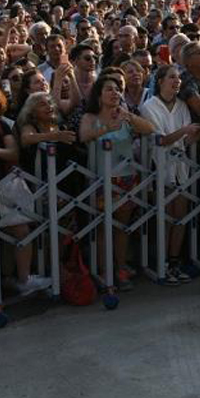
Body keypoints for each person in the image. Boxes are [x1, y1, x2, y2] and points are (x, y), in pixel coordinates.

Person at [139, 66, 200, 285]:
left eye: (179, 78)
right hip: (159, 165)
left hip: (181, 166)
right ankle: (161, 262)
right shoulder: (149, 107)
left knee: (180, 215)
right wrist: (186, 131)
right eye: (172, 77)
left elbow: (186, 140)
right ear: (160, 81)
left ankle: (174, 261)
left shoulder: (182, 105)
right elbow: (161, 140)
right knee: (165, 215)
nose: (177, 81)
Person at [78, 76, 154, 292]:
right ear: (99, 95)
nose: (114, 93)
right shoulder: (90, 117)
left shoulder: (125, 116)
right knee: (104, 227)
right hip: (102, 179)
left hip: (127, 177)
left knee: (122, 227)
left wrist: (128, 116)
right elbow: (83, 136)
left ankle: (120, 268)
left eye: (117, 90)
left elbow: (149, 129)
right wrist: (106, 128)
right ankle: (104, 271)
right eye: (109, 89)